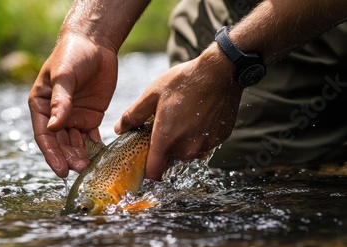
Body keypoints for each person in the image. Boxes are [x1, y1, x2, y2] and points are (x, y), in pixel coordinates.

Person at [28, 0, 347, 181]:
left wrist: (230, 62)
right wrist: (90, 32)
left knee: (277, 181)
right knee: (192, 165)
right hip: (226, 10)